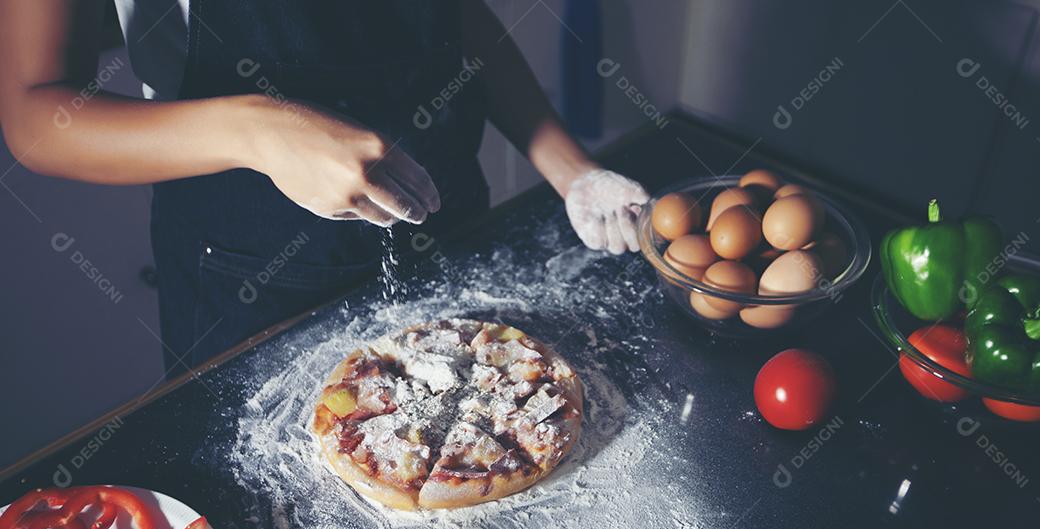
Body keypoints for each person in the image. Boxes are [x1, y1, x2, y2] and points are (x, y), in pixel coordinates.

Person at [0, 1, 648, 370]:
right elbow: (36, 117)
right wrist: (258, 128)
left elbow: (458, 19)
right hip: (249, 272)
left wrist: (572, 170)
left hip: (449, 223)